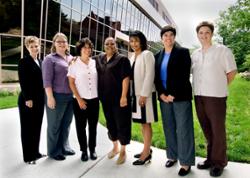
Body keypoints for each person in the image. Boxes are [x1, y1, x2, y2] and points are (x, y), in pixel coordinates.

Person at [191, 21, 237, 177]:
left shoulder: (222, 51)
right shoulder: (195, 54)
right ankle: (210, 159)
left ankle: (219, 162)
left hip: (216, 97)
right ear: (197, 35)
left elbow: (231, 72)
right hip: (198, 96)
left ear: (212, 34)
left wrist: (220, 86)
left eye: (207, 32)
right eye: (201, 33)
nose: (203, 35)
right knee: (207, 129)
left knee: (218, 130)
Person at [155, 25, 195, 176]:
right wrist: (162, 94)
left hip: (180, 97)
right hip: (164, 98)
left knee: (184, 130)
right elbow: (156, 77)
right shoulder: (157, 55)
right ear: (162, 38)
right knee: (169, 127)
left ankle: (185, 162)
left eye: (171, 35)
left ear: (174, 37)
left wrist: (173, 94)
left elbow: (184, 75)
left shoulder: (183, 52)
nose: (168, 38)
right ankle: (172, 156)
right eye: (165, 35)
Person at [95, 37, 131, 165]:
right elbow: (85, 60)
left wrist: (124, 96)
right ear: (103, 45)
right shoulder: (99, 59)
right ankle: (115, 146)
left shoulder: (122, 59)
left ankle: (123, 150)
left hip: (119, 99)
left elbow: (126, 78)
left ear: (116, 45)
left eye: (112, 43)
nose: (109, 45)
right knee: (110, 123)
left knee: (122, 123)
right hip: (105, 98)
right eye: (107, 43)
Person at [42, 32, 75, 161]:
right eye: (59, 41)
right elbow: (46, 81)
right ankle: (53, 151)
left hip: (70, 96)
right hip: (56, 96)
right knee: (54, 125)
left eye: (64, 41)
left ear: (67, 44)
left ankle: (64, 147)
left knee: (66, 124)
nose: (62, 43)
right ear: (54, 44)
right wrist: (50, 97)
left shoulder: (71, 58)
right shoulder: (49, 59)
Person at [129, 31, 158, 165]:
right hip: (136, 94)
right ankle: (146, 149)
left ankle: (146, 154)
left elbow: (150, 75)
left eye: (136, 40)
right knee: (142, 123)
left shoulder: (147, 54)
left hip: (145, 95)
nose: (134, 44)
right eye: (131, 41)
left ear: (141, 41)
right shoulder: (133, 56)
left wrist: (144, 94)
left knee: (146, 123)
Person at [68, 38, 99, 162]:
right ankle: (84, 151)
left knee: (93, 127)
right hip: (79, 101)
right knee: (81, 127)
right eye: (84, 47)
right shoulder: (74, 63)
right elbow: (71, 83)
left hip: (94, 100)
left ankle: (92, 149)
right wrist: (79, 100)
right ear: (80, 49)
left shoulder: (95, 62)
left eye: (89, 47)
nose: (87, 50)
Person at [18, 36, 46, 164]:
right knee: (27, 129)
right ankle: (28, 157)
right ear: (27, 48)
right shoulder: (24, 62)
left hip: (39, 100)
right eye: (31, 46)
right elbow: (23, 82)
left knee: (37, 127)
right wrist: (28, 98)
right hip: (27, 101)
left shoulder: (40, 61)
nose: (35, 48)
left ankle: (36, 152)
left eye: (36, 46)